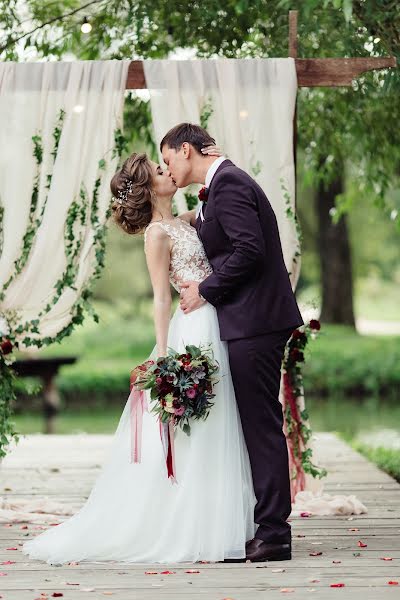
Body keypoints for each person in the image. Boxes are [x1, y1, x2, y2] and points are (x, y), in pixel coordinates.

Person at [21, 147, 260, 565]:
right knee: (197, 427)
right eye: (158, 170)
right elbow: (161, 299)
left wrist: (217, 163)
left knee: (221, 421)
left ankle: (220, 521)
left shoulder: (185, 220)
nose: (167, 171)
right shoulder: (157, 234)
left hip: (215, 322)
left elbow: (215, 218)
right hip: (190, 330)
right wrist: (164, 356)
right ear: (149, 188)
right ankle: (190, 524)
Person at [160, 123, 304, 562]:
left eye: (168, 160)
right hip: (248, 321)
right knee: (255, 424)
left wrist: (205, 290)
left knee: (261, 426)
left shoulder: (230, 184)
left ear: (186, 150)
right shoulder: (219, 189)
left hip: (256, 322)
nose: (168, 168)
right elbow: (227, 238)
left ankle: (275, 534)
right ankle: (265, 525)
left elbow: (249, 250)